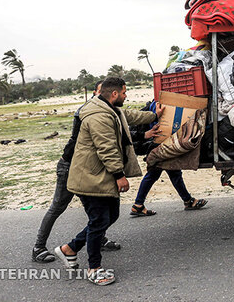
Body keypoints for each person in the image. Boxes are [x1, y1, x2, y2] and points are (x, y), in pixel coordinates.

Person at [53, 77, 163, 286]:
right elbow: (107, 148)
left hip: (101, 176)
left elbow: (130, 115)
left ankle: (70, 248)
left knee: (110, 216)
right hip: (90, 177)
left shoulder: (112, 109)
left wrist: (154, 114)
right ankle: (94, 268)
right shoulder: (98, 115)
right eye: (124, 93)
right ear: (114, 94)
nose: (125, 95)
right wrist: (119, 175)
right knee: (99, 221)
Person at [31, 81, 121, 263]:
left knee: (97, 210)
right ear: (97, 93)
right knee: (58, 207)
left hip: (85, 169)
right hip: (70, 167)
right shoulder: (89, 112)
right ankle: (38, 247)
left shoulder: (106, 111)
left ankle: (97, 238)